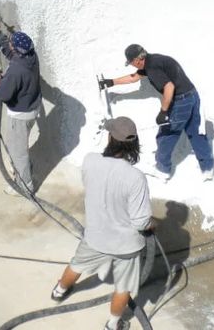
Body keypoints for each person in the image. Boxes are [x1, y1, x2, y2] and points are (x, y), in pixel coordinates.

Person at [50, 116, 154, 330]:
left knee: (76, 264)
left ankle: (59, 291)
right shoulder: (135, 178)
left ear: (110, 138)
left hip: (95, 237)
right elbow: (140, 222)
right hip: (125, 246)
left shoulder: (89, 160)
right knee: (123, 286)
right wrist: (151, 225)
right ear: (134, 144)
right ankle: (113, 324)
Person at [98, 44, 214, 182]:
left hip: (181, 102)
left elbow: (169, 87)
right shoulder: (154, 61)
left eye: (131, 63)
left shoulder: (152, 67)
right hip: (192, 97)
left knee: (166, 135)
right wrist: (111, 82)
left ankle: (162, 170)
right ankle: (208, 169)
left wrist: (163, 112)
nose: (132, 66)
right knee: (195, 133)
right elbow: (133, 77)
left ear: (137, 60)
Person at [0, 24, 41, 194]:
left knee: (18, 152)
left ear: (18, 50)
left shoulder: (17, 71)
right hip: (32, 109)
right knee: (20, 147)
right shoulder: (31, 57)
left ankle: (25, 186)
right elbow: (12, 53)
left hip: (20, 116)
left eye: (11, 43)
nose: (9, 45)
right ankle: (24, 169)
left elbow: (3, 94)